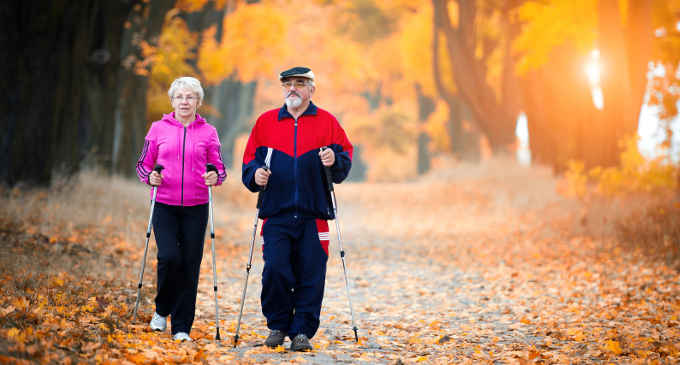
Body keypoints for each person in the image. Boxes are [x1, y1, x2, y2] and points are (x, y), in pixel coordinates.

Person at [241, 66, 353, 351]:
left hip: (314, 214)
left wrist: (333, 159)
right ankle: (278, 326)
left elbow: (345, 159)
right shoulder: (266, 122)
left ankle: (302, 331)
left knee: (311, 273)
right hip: (276, 213)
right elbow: (249, 162)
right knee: (276, 270)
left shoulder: (327, 122)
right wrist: (255, 175)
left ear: (311, 89)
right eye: (288, 84)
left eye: (300, 83)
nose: (293, 88)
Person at [135, 76, 227, 342]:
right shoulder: (157, 129)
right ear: (172, 101)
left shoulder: (208, 132)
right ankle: (162, 310)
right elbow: (143, 164)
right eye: (179, 97)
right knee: (169, 258)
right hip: (164, 203)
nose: (184, 101)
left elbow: (219, 168)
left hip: (197, 206)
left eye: (190, 97)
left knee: (190, 264)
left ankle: (182, 327)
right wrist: (150, 177)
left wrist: (215, 177)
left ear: (198, 101)